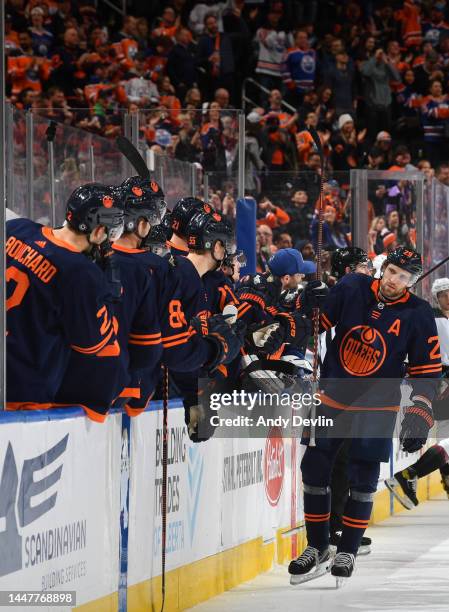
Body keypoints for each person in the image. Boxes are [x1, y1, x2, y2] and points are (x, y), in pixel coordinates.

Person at [289, 247, 441, 586]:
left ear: (412, 282)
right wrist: (306, 303)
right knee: (313, 468)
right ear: (383, 269)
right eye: (392, 272)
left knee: (363, 475)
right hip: (332, 394)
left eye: (404, 277)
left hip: (378, 403)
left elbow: (426, 369)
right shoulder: (352, 287)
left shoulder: (418, 313)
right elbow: (315, 324)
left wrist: (420, 407)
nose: (395, 281)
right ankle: (317, 546)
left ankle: (347, 550)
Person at [6, 183, 125, 421]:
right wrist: (108, 294)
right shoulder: (80, 273)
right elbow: (92, 344)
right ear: (99, 231)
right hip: (22, 393)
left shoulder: (17, 228)